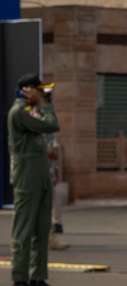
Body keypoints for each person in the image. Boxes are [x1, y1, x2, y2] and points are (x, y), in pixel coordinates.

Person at [8, 73, 63, 286]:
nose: (44, 94)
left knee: (41, 228)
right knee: (23, 229)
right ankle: (19, 280)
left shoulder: (32, 109)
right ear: (28, 91)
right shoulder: (20, 112)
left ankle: (37, 278)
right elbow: (52, 125)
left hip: (40, 175)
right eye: (40, 90)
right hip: (27, 175)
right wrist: (43, 105)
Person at [42, 87, 70, 251]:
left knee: (47, 203)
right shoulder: (34, 115)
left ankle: (50, 235)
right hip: (38, 169)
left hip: (46, 169)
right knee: (41, 205)